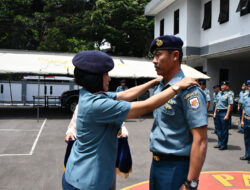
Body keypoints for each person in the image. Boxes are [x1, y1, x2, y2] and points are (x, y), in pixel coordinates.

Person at [63, 50, 197, 190]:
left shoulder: (89, 94)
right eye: (105, 75)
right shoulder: (96, 105)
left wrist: (153, 82)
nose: (109, 79)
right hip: (86, 181)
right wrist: (178, 86)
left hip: (82, 173)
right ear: (94, 78)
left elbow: (125, 94)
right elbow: (146, 106)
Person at [149, 35, 208, 190]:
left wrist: (191, 183)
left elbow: (200, 140)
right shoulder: (160, 87)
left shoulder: (189, 91)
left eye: (158, 55)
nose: (154, 61)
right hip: (156, 164)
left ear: (175, 55)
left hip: (176, 168)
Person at [213, 81, 233, 150]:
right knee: (218, 129)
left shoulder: (229, 94)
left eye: (223, 85)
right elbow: (216, 104)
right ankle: (219, 143)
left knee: (224, 130)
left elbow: (230, 105)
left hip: (223, 113)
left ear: (227, 86)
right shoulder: (219, 93)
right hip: (218, 112)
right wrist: (215, 112)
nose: (222, 87)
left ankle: (224, 145)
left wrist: (227, 115)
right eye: (221, 85)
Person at [240, 80, 250, 164]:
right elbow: (244, 109)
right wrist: (242, 120)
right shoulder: (246, 96)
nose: (249, 88)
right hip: (247, 120)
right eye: (249, 86)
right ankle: (247, 155)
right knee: (246, 139)